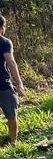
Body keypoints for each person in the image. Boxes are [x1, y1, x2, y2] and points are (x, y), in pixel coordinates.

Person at [0, 15, 25, 144]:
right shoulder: (4, 42)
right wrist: (19, 83)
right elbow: (11, 62)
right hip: (3, 85)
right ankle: (13, 142)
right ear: (1, 27)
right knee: (11, 115)